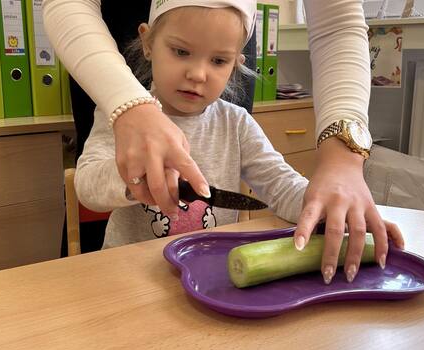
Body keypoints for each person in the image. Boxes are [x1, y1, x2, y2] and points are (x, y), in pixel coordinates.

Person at [43, 0, 404, 283]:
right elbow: (87, 186)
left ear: (236, 65)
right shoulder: (119, 115)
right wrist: (130, 177)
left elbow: (281, 187)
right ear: (148, 42)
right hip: (130, 277)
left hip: (209, 277)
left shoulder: (236, 123)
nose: (198, 73)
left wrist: (330, 212)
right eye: (181, 51)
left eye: (218, 60)